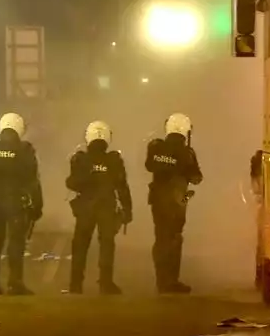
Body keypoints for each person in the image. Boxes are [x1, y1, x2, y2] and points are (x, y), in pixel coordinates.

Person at [66, 121, 132, 295]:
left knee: (80, 245)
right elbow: (122, 186)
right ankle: (105, 283)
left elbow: (72, 183)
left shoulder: (80, 158)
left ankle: (75, 284)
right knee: (107, 245)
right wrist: (127, 209)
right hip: (106, 207)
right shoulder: (113, 160)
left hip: (85, 208)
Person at [0, 113, 42, 296]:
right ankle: (15, 283)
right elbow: (33, 179)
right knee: (16, 243)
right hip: (16, 201)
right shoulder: (25, 149)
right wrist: (37, 206)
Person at [146, 113, 202, 294]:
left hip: (157, 201)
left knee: (161, 239)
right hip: (178, 203)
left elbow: (149, 166)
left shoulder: (155, 147)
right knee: (174, 238)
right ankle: (171, 281)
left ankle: (161, 280)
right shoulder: (187, 153)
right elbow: (197, 178)